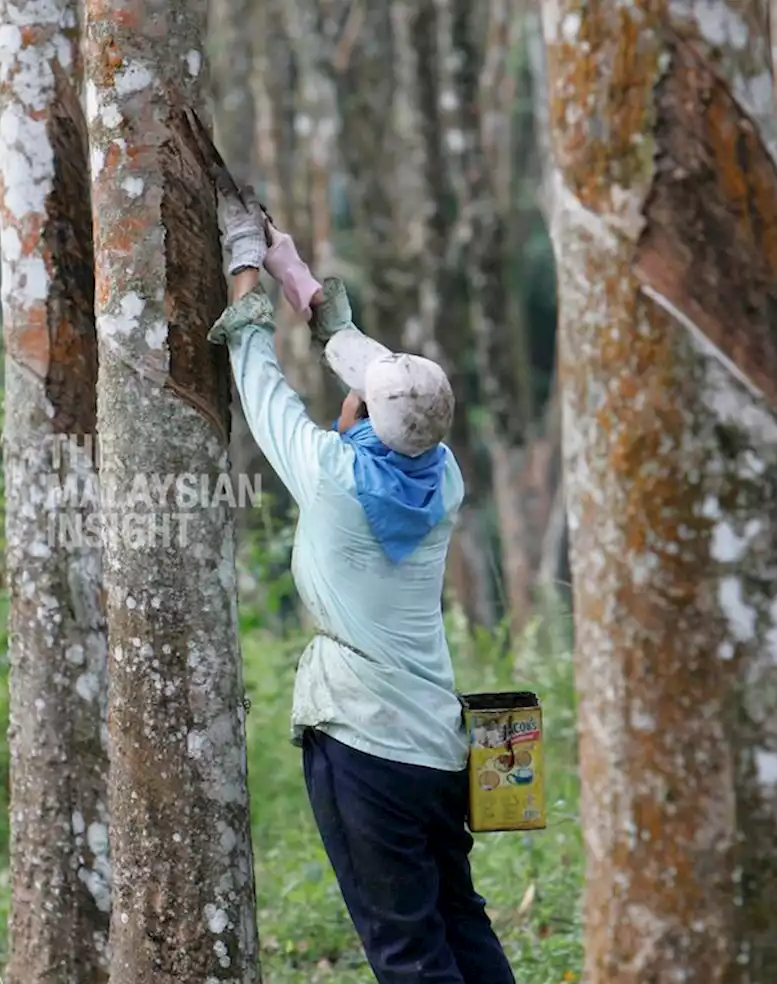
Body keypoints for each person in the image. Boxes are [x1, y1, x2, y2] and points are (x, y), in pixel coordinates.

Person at [208, 185, 517, 984]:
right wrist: (294, 270)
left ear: (365, 418)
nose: (353, 388)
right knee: (461, 921)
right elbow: (377, 371)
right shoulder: (440, 476)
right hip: (437, 750)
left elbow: (255, 371)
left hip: (366, 746)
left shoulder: (335, 478)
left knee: (408, 951)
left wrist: (246, 265)